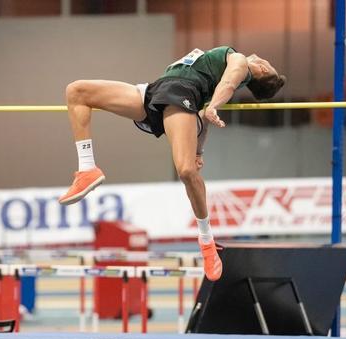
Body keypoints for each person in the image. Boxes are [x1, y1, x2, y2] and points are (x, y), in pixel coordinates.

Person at [58, 47, 286, 281]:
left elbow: (225, 87)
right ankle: (87, 168)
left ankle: (207, 241)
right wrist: (199, 147)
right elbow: (204, 113)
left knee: (187, 171)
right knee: (77, 91)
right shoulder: (217, 75)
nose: (259, 56)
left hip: (178, 96)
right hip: (154, 92)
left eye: (265, 60)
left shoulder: (239, 62)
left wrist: (214, 108)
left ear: (261, 69)